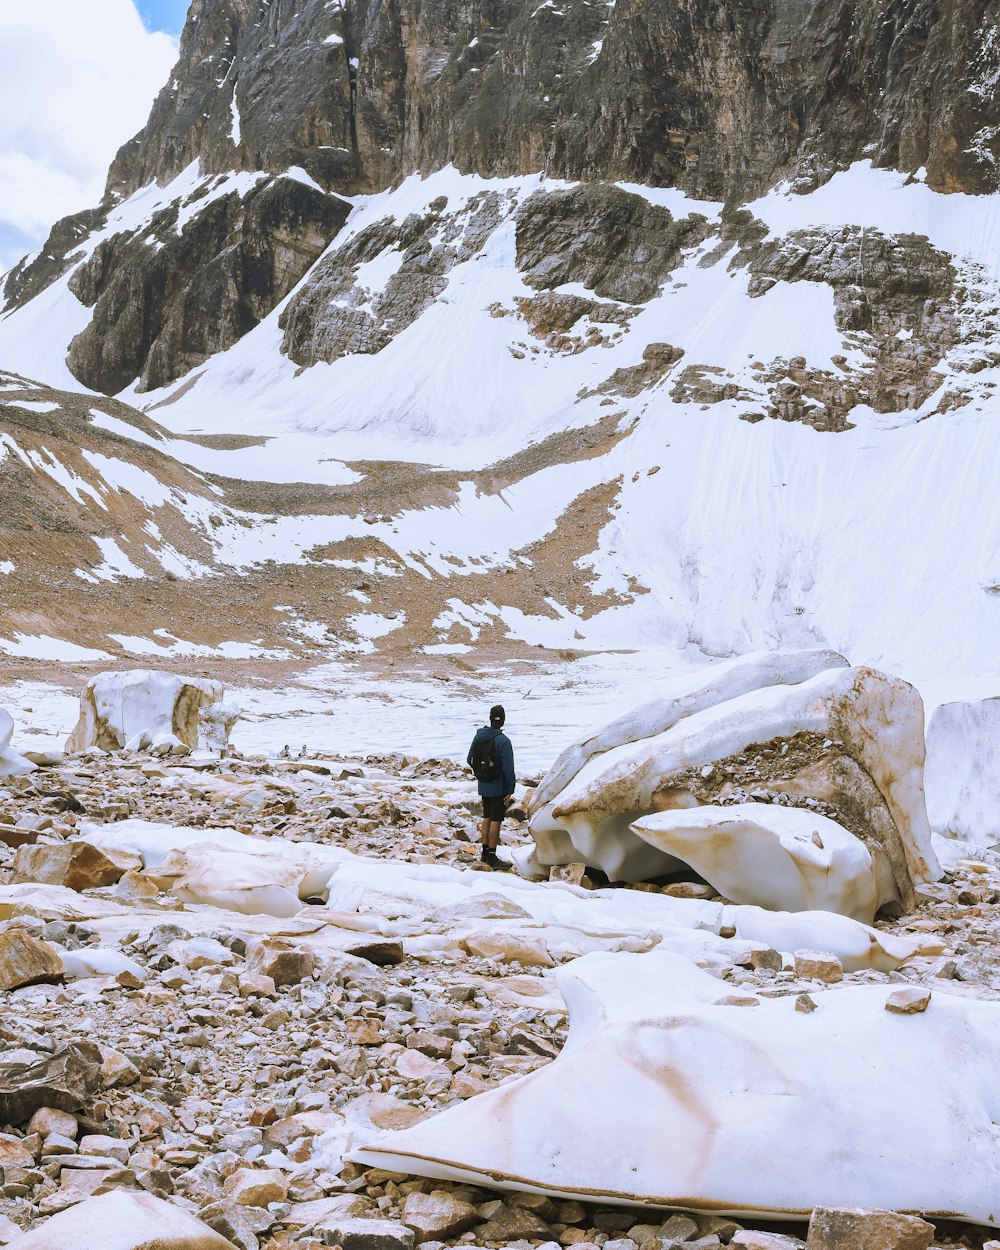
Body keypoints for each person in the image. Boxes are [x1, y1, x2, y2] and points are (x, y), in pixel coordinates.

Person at [467, 704, 515, 870]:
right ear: (503, 719)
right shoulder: (503, 741)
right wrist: (511, 788)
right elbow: (508, 768)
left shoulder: (479, 736)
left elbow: (469, 759)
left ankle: (484, 852)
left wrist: (481, 773)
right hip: (498, 786)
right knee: (496, 819)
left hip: (484, 784)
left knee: (486, 817)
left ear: (490, 718)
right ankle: (492, 856)